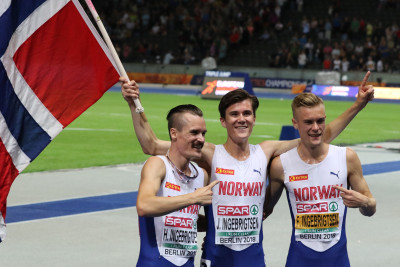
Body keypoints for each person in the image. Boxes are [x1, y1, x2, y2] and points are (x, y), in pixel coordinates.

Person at [120, 72, 373, 266]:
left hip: (252, 258)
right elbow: (151, 144)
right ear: (223, 121)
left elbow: (317, 133)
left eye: (247, 113)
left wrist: (358, 105)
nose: (241, 118)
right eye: (234, 114)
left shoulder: (265, 152)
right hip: (216, 257)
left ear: (254, 118)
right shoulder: (210, 153)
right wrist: (134, 103)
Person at [264, 93, 376, 267]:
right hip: (298, 260)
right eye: (308, 122)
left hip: (337, 260)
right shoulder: (281, 165)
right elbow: (262, 210)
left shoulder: (346, 158)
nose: (316, 128)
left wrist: (365, 203)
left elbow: (371, 208)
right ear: (295, 123)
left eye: (320, 121)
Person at [135, 104, 219, 266]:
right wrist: (193, 198)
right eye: (194, 132)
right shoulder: (157, 164)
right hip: (155, 262)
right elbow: (144, 205)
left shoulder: (202, 175)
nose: (201, 139)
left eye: (203, 133)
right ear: (174, 133)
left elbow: (189, 219)